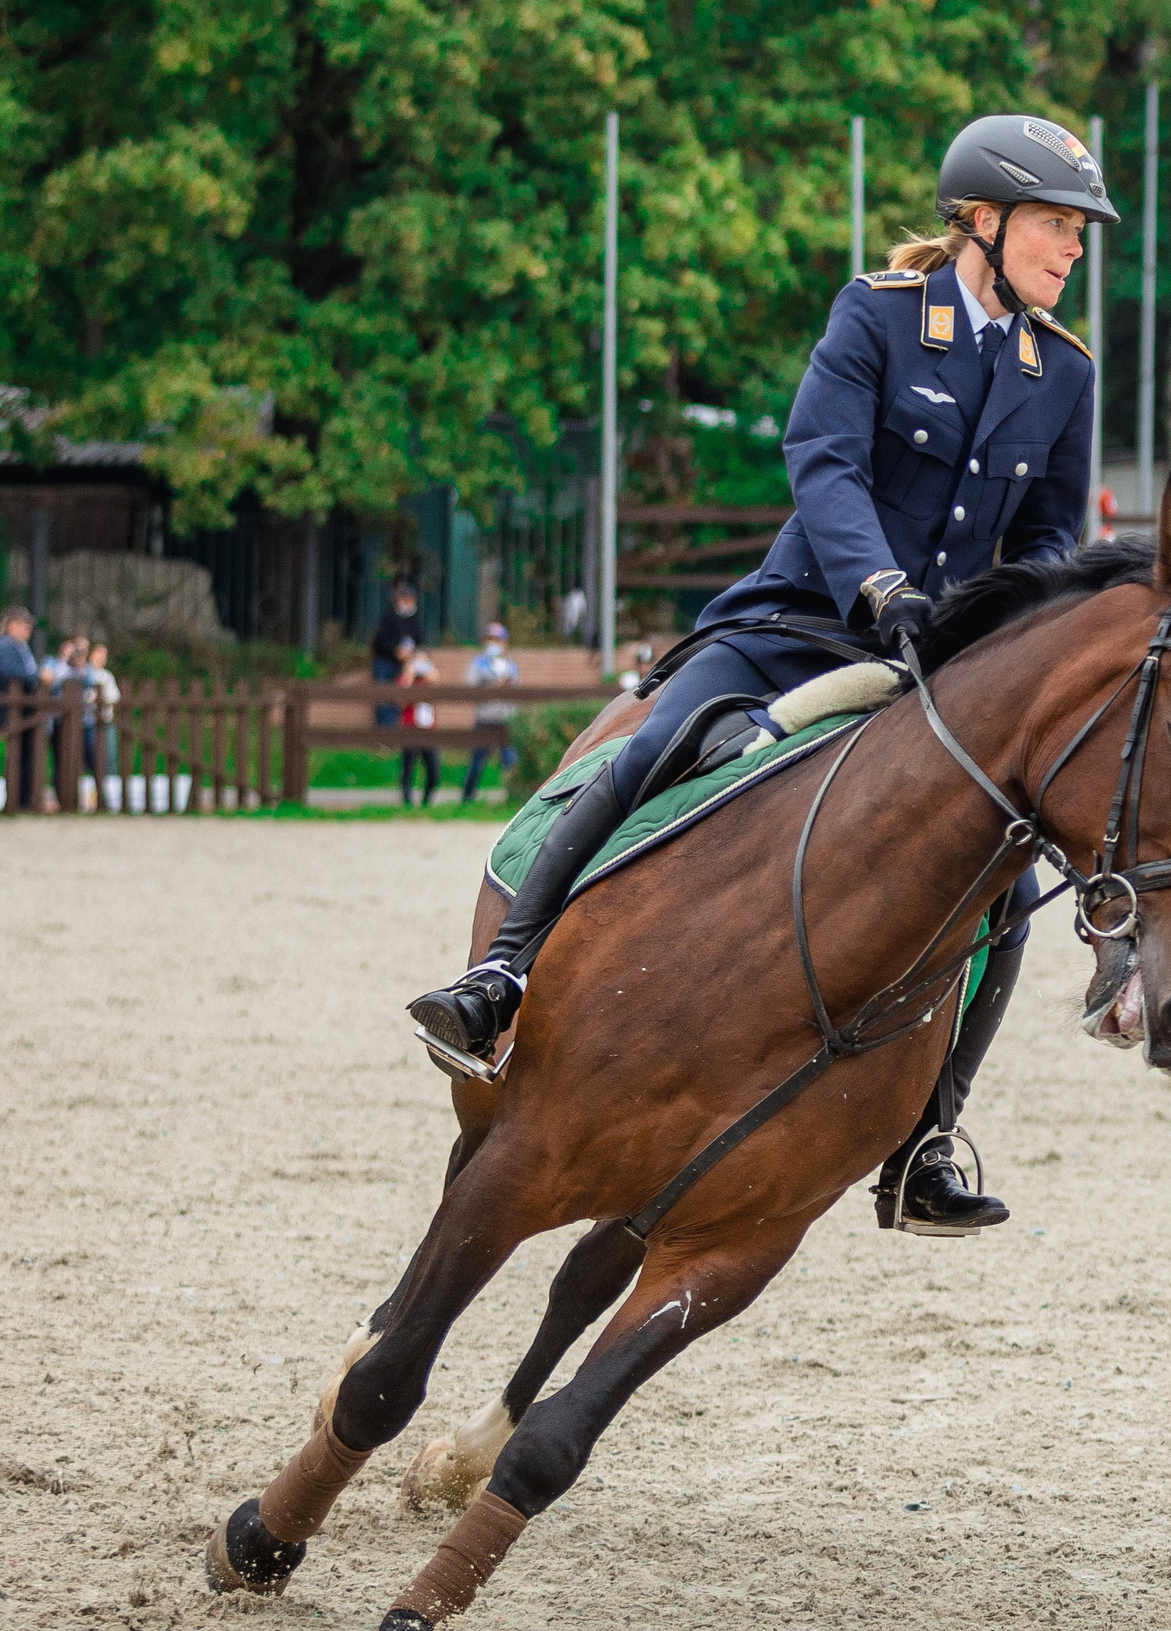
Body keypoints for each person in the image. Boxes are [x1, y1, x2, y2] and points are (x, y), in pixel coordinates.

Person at [408, 113, 1115, 1236]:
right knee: (652, 751)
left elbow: (1043, 539)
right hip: (804, 621)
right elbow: (822, 464)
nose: (1074, 249)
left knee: (1001, 882)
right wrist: (879, 587)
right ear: (980, 222)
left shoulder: (1060, 372)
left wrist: (996, 633)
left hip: (937, 662)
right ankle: (500, 975)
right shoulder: (877, 316)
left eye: (1081, 232)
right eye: (1056, 225)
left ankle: (927, 1139)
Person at [0, 607, 43, 810]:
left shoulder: (19, 647)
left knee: (24, 756)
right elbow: (11, 674)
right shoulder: (5, 646)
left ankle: (23, 798)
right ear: (12, 625)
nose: (28, 629)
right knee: (17, 756)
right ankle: (16, 800)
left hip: (24, 710)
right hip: (14, 711)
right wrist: (37, 678)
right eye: (24, 624)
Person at [461, 623, 521, 804]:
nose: (493, 644)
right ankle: (467, 796)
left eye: (497, 640)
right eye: (490, 640)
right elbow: (470, 686)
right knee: (478, 760)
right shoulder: (478, 663)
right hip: (485, 717)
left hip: (506, 718)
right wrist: (496, 686)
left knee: (509, 759)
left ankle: (513, 796)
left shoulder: (511, 666)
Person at [371, 583, 422, 728]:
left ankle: (393, 733)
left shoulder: (414, 620)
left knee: (397, 698)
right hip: (385, 662)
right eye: (405, 599)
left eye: (411, 600)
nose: (408, 603)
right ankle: (383, 734)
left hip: (403, 664)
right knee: (383, 696)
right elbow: (380, 641)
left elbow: (418, 640)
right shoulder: (389, 618)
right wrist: (395, 651)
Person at [397, 643, 441, 807]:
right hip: (410, 727)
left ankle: (426, 801)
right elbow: (402, 701)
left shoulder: (430, 680)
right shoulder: (406, 679)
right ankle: (407, 800)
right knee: (407, 766)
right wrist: (409, 675)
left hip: (428, 730)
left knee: (433, 770)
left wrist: (431, 676)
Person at [81, 641, 121, 801]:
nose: (101, 658)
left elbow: (114, 697)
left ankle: (108, 795)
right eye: (99, 654)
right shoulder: (85, 673)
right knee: (89, 759)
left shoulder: (106, 675)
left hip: (105, 721)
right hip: (88, 723)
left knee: (109, 758)